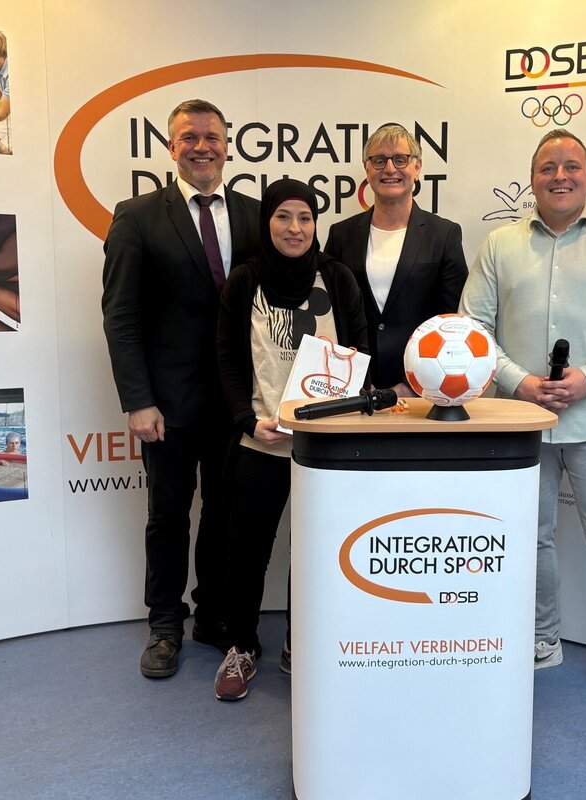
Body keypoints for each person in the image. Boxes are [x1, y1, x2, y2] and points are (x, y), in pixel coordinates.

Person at [459, 129, 586, 721]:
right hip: (519, 423)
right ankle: (541, 640)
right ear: (532, 179)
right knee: (530, 538)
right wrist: (519, 382)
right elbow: (472, 327)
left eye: (571, 166)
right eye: (548, 167)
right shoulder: (500, 245)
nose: (560, 176)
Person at [101, 99, 260, 679]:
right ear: (171, 147)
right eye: (189, 137)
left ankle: (212, 616)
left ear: (228, 146)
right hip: (166, 404)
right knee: (167, 517)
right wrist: (138, 400)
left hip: (237, 402)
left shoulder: (255, 215)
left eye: (212, 137)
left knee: (223, 515)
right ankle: (165, 625)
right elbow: (120, 314)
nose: (201, 147)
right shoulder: (137, 216)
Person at [213, 179, 369, 702]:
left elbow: (359, 351)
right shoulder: (244, 281)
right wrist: (245, 420)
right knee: (246, 553)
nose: (295, 228)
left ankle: (299, 644)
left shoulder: (337, 278)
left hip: (322, 451)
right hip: (261, 441)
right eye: (283, 216)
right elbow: (228, 359)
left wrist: (340, 418)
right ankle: (241, 646)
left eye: (305, 217)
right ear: (267, 223)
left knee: (315, 554)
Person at [324, 124, 467, 394]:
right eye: (379, 160)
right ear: (367, 169)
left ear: (417, 167)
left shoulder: (444, 235)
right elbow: (329, 316)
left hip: (421, 390)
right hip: (352, 387)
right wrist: (355, 381)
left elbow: (452, 321)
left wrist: (412, 385)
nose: (390, 169)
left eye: (400, 159)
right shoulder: (340, 235)